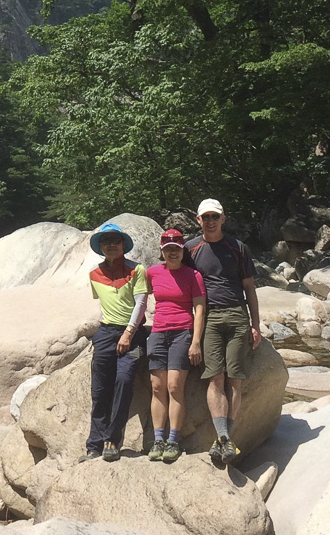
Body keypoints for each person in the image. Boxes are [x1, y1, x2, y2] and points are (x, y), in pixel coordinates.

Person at [185, 198, 262, 465]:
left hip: (237, 314)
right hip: (209, 317)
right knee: (215, 378)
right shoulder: (190, 249)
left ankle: (223, 439)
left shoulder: (238, 248)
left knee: (235, 379)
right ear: (198, 220)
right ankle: (224, 437)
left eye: (214, 216)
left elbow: (249, 287)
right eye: (205, 217)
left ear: (223, 219)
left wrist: (255, 325)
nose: (210, 221)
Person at [80, 221, 148, 463]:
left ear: (123, 245)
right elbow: (105, 305)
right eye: (106, 241)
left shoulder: (137, 270)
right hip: (106, 334)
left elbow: (141, 304)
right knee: (100, 389)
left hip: (135, 336)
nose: (111, 245)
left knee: (124, 380)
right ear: (100, 247)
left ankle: (112, 440)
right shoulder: (94, 274)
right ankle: (94, 445)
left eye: (115, 241)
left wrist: (128, 333)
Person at [145, 229, 206, 464]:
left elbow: (199, 309)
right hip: (158, 332)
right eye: (168, 249)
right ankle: (158, 439)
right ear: (162, 251)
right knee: (157, 387)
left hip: (183, 332)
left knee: (174, 387)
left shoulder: (193, 275)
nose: (172, 253)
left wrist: (196, 341)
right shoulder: (152, 273)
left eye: (176, 249)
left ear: (182, 251)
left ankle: (173, 440)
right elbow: (141, 297)